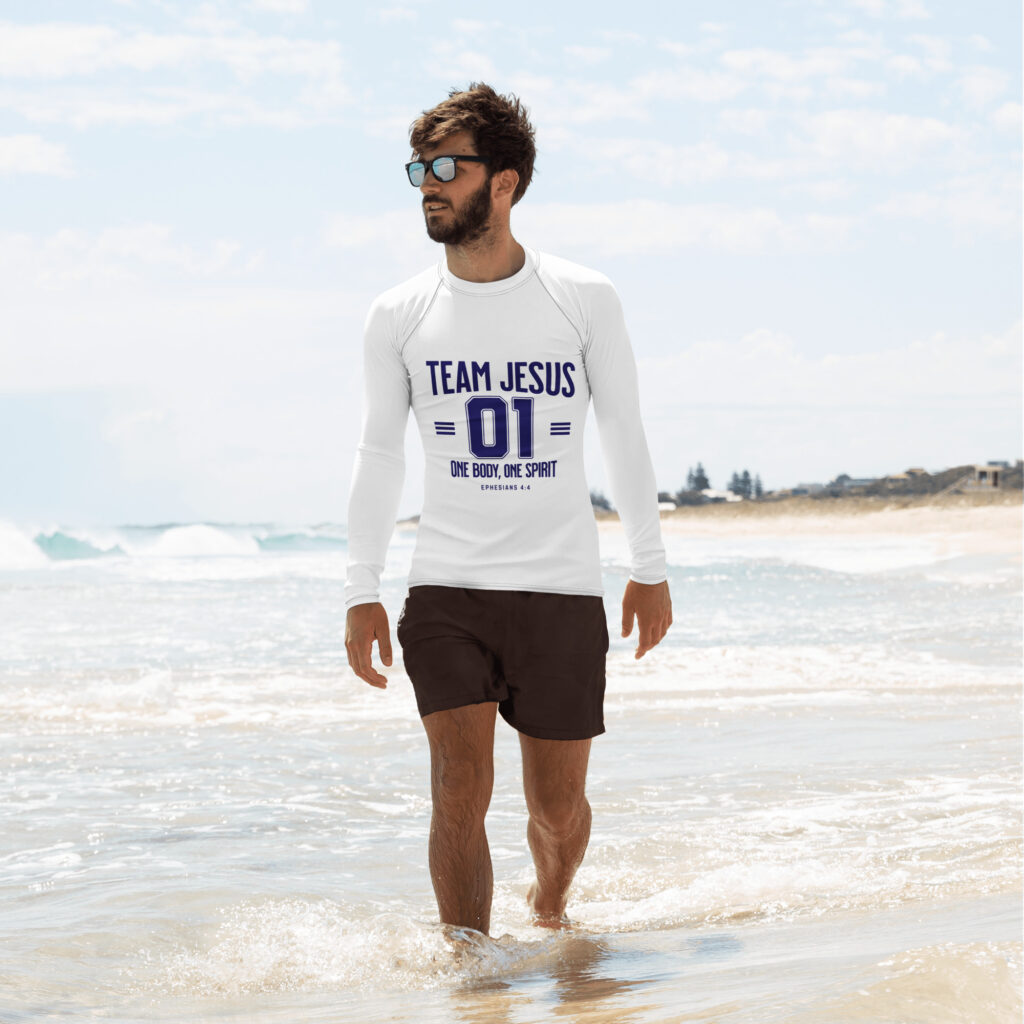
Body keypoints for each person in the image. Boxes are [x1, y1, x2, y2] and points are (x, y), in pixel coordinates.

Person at [344, 82, 672, 937]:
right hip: (446, 589)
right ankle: (471, 974)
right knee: (458, 784)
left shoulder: (583, 297)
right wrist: (360, 586)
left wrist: (650, 566)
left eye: (449, 166)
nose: (428, 183)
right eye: (419, 167)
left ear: (506, 182)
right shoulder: (399, 314)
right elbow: (380, 454)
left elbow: (624, 433)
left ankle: (553, 901)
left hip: (561, 590)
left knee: (557, 810)